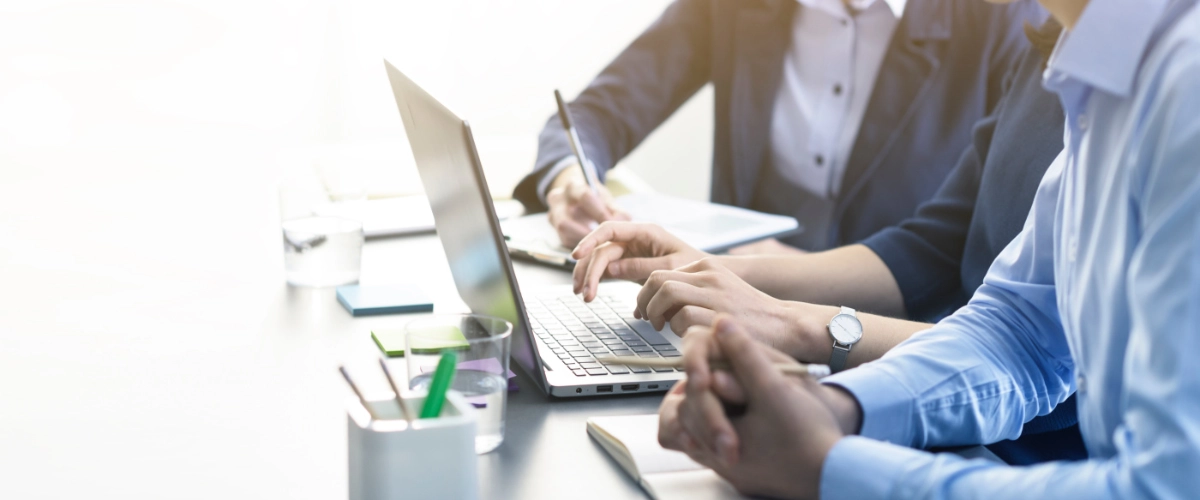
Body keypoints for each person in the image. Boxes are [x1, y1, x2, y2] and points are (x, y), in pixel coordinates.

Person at [659, 0, 1200, 497]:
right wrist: (836, 408)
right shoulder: (1099, 69)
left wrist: (832, 468)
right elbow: (1021, 333)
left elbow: (1166, 483)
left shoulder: (1185, 79)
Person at [571, 17, 1079, 464]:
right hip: (924, 403)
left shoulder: (1127, 85)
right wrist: (717, 271)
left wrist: (792, 326)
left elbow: (1052, 363)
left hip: (1008, 446)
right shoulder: (1055, 50)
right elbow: (938, 251)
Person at [512, 0, 1045, 252]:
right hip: (720, 309)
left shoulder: (1002, 17)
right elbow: (597, 111)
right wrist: (568, 180)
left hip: (892, 335)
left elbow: (994, 250)